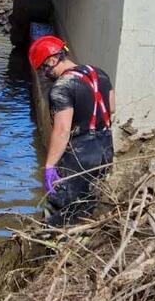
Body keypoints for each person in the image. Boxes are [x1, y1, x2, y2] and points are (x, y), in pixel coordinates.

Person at [28, 35, 116, 226]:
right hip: (106, 147)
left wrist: (50, 166)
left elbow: (62, 130)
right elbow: (112, 106)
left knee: (60, 207)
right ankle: (81, 239)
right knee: (88, 201)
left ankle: (51, 248)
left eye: (44, 69)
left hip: (81, 154)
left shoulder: (62, 87)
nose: (45, 75)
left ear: (52, 60)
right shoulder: (100, 73)